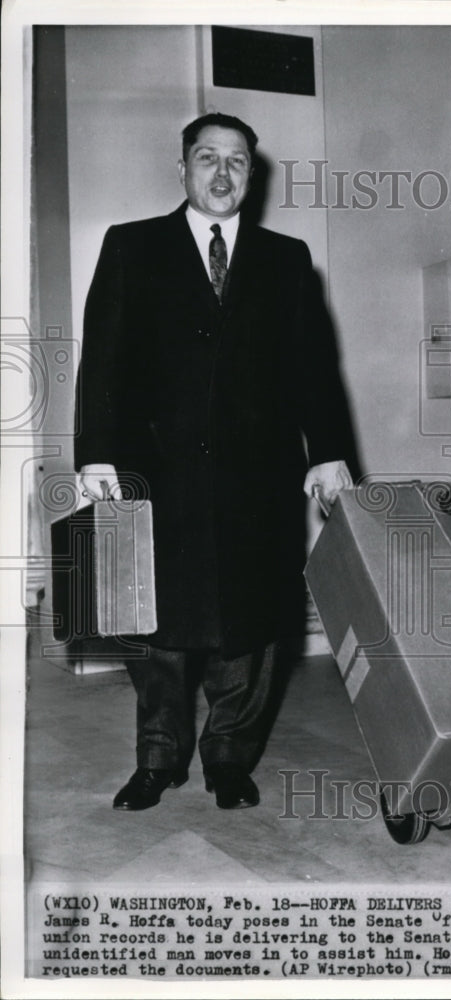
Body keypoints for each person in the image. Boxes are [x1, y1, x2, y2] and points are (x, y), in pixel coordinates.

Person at [75, 112, 357, 810]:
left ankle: (230, 755)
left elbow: (314, 369)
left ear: (251, 176)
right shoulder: (131, 246)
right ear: (183, 170)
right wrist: (96, 453)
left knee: (251, 626)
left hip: (255, 479)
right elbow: (101, 359)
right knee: (156, 627)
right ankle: (159, 758)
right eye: (208, 158)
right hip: (156, 472)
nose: (223, 173)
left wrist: (328, 454)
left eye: (238, 161)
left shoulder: (287, 258)